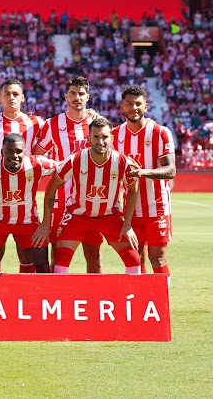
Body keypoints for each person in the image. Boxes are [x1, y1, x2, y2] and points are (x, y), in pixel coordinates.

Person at [32, 117, 142, 274]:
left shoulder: (122, 162)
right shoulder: (74, 160)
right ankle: (61, 297)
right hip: (77, 216)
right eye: (96, 137)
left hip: (109, 216)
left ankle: (131, 298)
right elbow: (51, 189)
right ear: (88, 138)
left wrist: (127, 224)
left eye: (104, 137)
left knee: (133, 259)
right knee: (61, 259)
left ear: (111, 138)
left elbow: (133, 189)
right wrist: (45, 224)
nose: (100, 141)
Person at [34, 76, 104, 273]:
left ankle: (94, 300)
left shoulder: (98, 124)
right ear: (66, 96)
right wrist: (56, 167)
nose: (77, 97)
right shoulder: (52, 124)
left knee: (94, 256)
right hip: (60, 202)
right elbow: (37, 157)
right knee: (58, 255)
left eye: (81, 94)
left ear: (88, 97)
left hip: (90, 200)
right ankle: (59, 299)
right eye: (72, 93)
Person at [0, 78, 46, 273]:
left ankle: (26, 294)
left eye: (15, 94)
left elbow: (55, 133)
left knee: (26, 251)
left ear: (23, 98)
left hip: (26, 197)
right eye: (7, 93)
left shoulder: (36, 122)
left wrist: (89, 113)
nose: (11, 97)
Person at [112, 85, 175, 285]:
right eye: (129, 104)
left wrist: (142, 172)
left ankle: (162, 302)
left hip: (157, 206)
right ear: (122, 107)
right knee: (135, 258)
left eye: (138, 104)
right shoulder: (114, 135)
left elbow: (171, 171)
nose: (134, 108)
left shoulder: (160, 132)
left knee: (157, 257)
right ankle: (138, 300)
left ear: (146, 106)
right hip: (130, 208)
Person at [0, 134, 56, 273]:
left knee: (43, 266)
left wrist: (45, 224)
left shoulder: (37, 164)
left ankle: (38, 295)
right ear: (2, 152)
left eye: (19, 151)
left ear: (25, 152)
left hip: (28, 222)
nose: (14, 155)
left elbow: (65, 168)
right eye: (9, 151)